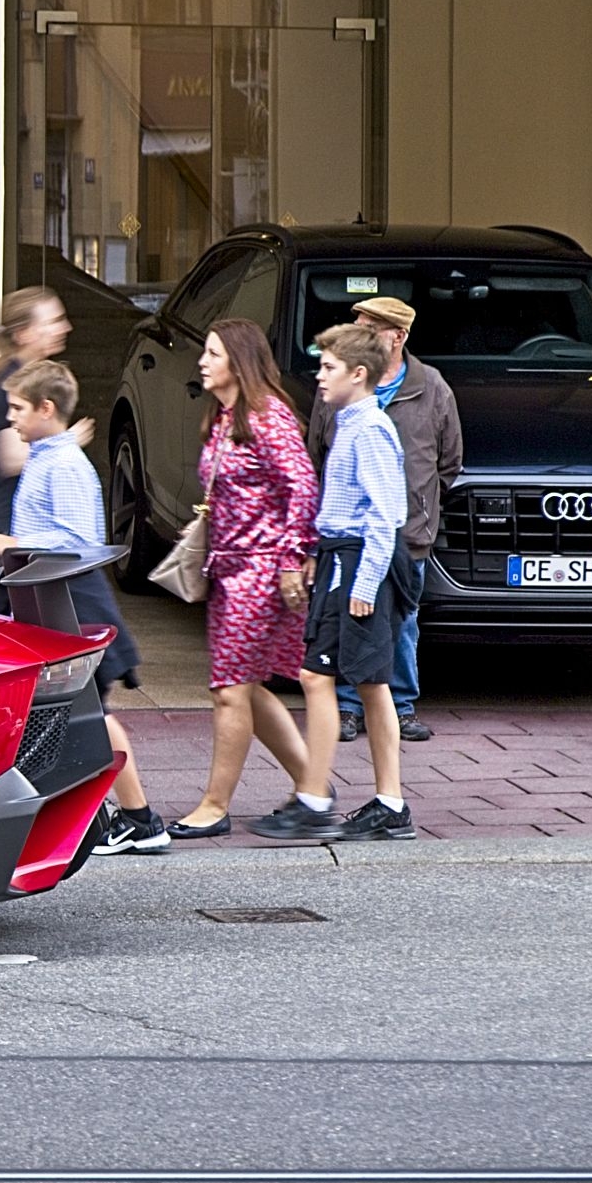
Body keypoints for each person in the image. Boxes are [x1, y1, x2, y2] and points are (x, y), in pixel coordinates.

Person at [0, 359, 168, 853]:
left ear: (46, 408)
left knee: (92, 713)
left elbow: (80, 540)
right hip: (57, 603)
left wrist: (13, 542)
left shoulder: (63, 464)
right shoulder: (45, 456)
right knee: (71, 713)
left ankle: (141, 819)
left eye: (18, 408)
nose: (10, 419)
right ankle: (105, 817)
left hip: (76, 603)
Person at [254, 322, 414, 842]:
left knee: (359, 681)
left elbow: (383, 516)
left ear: (359, 374)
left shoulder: (367, 429)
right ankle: (330, 796)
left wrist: (364, 586)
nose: (319, 376)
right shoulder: (349, 421)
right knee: (335, 679)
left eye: (328, 368)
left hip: (358, 565)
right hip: (341, 561)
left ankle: (360, 800)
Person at [172, 318, 318, 838]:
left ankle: (215, 806)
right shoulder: (225, 416)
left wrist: (290, 558)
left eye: (212, 353)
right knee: (248, 688)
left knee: (231, 690)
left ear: (239, 359)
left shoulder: (267, 415)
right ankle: (312, 786)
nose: (202, 362)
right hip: (230, 566)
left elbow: (302, 487)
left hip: (258, 569)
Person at [306, 295, 458, 745]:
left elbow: (450, 461)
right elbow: (318, 449)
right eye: (358, 323)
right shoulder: (337, 393)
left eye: (371, 326)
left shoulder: (431, 386)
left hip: (404, 533)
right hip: (351, 538)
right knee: (355, 623)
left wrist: (424, 506)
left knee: (399, 622)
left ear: (398, 336)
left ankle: (401, 705)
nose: (361, 332)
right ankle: (352, 709)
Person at [0, 287, 89, 554]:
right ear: (23, 334)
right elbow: (11, 460)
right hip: (0, 525)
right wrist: (66, 441)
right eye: (54, 322)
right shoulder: (17, 390)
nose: (65, 327)